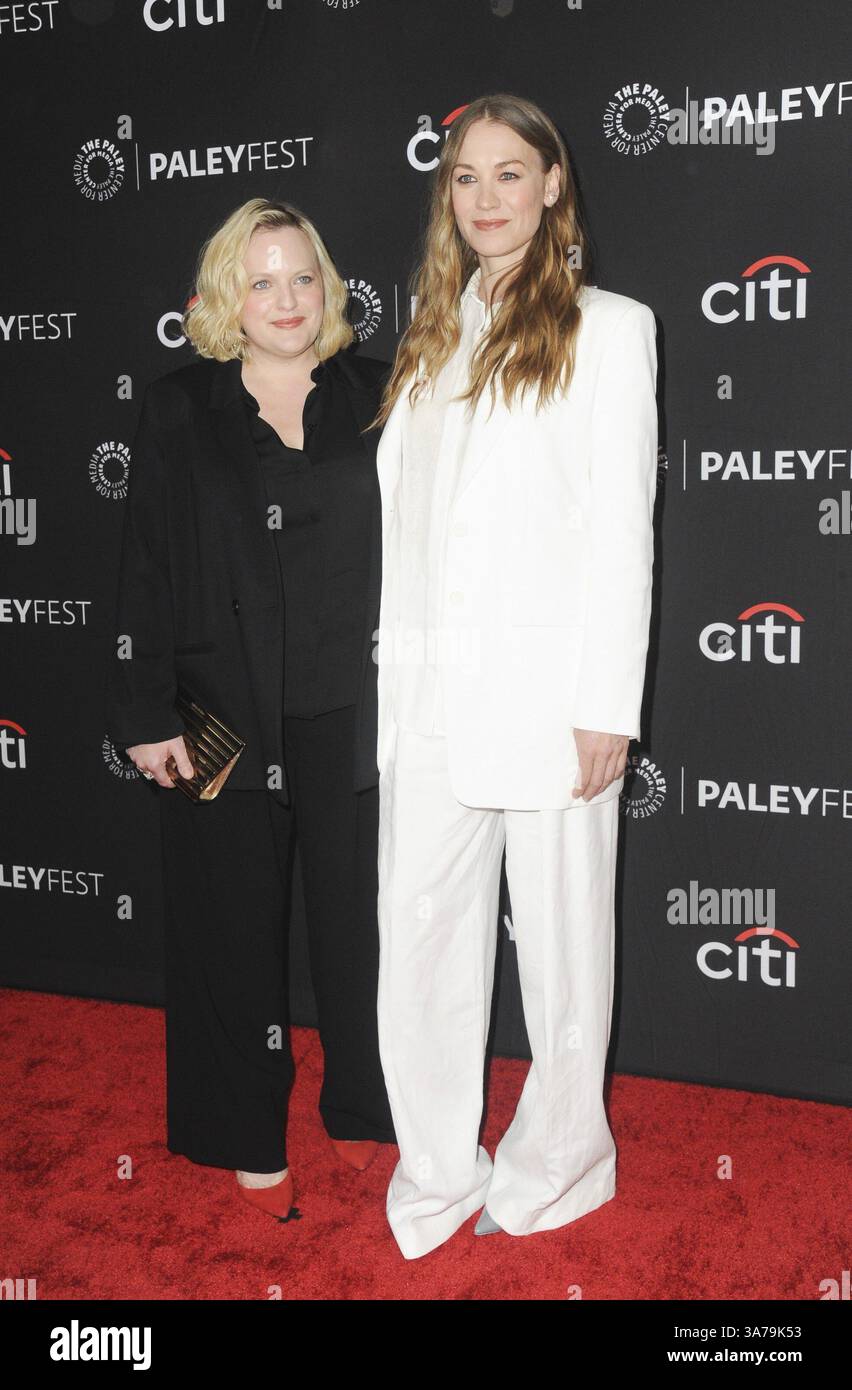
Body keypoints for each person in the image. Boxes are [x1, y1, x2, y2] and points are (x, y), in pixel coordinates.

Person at [369, 94, 659, 1259]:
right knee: (423, 944)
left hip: (550, 702)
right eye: (465, 177)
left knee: (563, 950)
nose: (485, 196)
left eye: (509, 173)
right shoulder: (431, 337)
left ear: (552, 187)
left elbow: (622, 536)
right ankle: (436, 1173)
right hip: (428, 700)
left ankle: (562, 1165)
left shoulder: (612, 329)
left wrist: (607, 702)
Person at [104, 198, 396, 1222]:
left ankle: (368, 1104)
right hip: (221, 712)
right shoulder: (182, 404)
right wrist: (143, 707)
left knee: (365, 927)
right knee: (230, 930)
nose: (286, 298)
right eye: (263, 280)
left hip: (356, 711)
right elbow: (143, 561)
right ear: (229, 294)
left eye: (303, 277)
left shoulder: (381, 390)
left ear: (330, 289)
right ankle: (243, 1132)